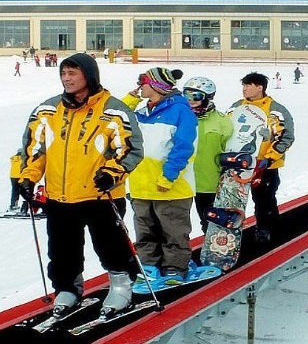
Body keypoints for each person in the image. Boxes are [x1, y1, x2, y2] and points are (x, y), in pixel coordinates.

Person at [17, 52, 144, 317]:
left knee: (111, 246)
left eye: (72, 73)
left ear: (89, 75)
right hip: (60, 197)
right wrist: (28, 177)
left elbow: (130, 150)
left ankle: (121, 285)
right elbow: (35, 149)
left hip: (100, 195)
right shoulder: (47, 110)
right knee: (62, 249)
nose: (66, 78)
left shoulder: (113, 109)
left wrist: (112, 172)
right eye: (63, 73)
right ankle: (67, 288)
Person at [121, 67, 197, 282]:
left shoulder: (181, 111)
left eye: (143, 82)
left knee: (173, 231)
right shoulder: (141, 112)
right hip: (141, 186)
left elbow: (184, 147)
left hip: (170, 187)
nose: (139, 86)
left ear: (156, 85)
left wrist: (169, 176)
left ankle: (175, 267)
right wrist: (131, 99)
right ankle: (150, 266)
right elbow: (113, 119)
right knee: (145, 231)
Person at [230, 72, 295, 243]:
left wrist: (270, 158)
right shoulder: (236, 107)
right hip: (239, 164)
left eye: (248, 86)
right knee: (232, 199)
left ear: (260, 88)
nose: (244, 89)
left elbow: (287, 136)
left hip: (265, 166)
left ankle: (267, 230)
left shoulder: (276, 110)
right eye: (243, 85)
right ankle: (231, 233)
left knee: (264, 201)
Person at [182, 76, 234, 234]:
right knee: (176, 225)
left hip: (208, 181)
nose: (190, 100)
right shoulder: (178, 116)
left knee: (208, 220)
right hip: (180, 180)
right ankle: (179, 256)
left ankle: (213, 247)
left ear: (208, 97)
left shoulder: (222, 121)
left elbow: (231, 148)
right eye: (186, 95)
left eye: (196, 96)